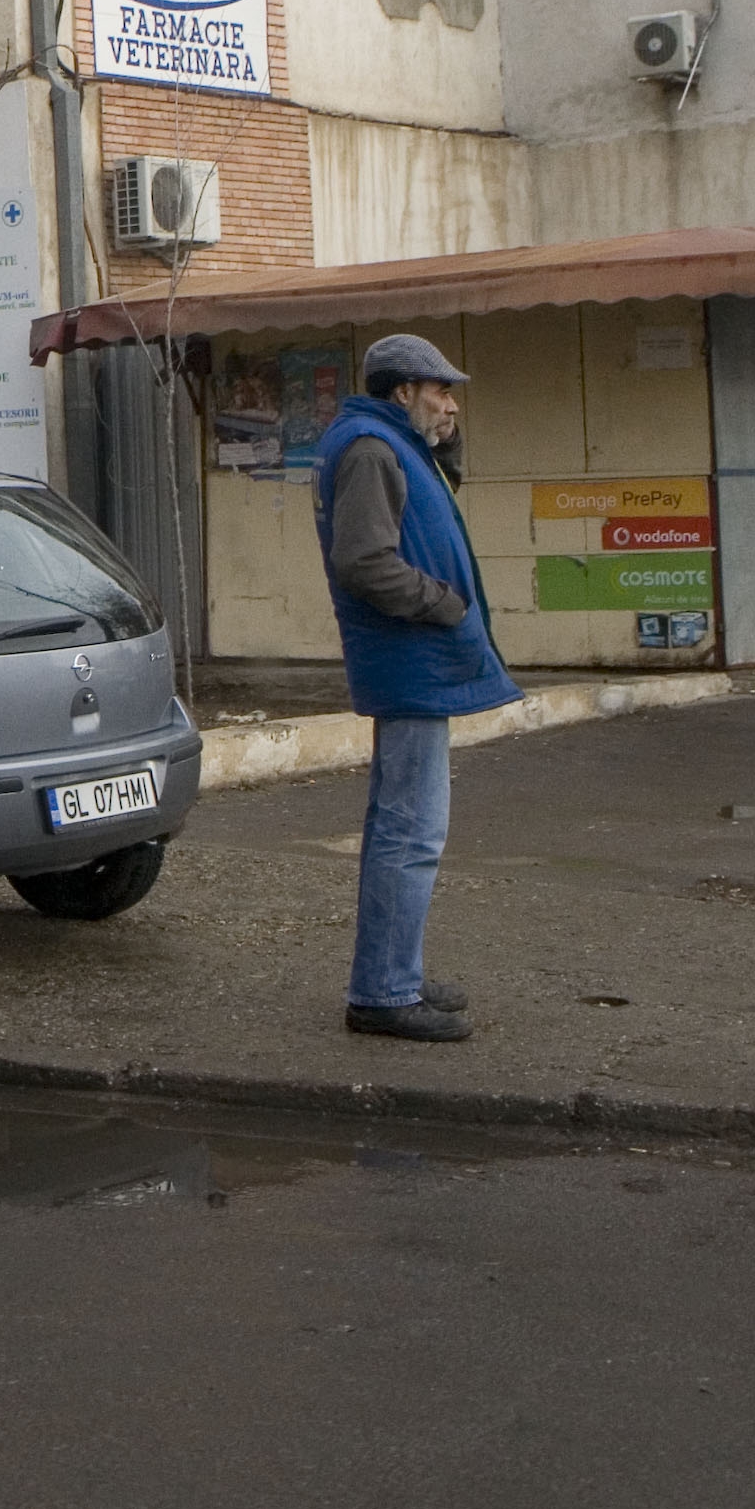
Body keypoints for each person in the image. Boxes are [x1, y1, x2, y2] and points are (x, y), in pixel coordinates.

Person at [310, 332, 520, 1042]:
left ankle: (394, 968)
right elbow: (364, 561)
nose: (450, 401)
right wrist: (442, 603)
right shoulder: (370, 449)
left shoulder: (388, 443)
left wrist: (447, 441)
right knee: (410, 831)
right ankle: (382, 992)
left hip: (413, 663)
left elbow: (434, 498)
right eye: (440, 391)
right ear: (402, 391)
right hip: (409, 661)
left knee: (400, 827)